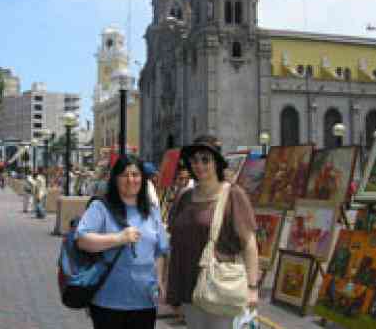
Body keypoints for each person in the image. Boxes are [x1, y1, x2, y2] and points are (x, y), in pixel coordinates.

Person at [167, 135, 259, 329]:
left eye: (205, 159)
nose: (199, 165)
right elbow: (174, 243)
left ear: (216, 162)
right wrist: (172, 288)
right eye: (194, 160)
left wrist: (252, 288)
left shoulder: (233, 195)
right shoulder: (184, 197)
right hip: (188, 287)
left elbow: (249, 244)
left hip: (220, 287)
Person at [76, 155, 169, 329]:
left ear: (143, 179)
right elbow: (82, 240)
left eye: (135, 174)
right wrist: (119, 238)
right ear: (115, 179)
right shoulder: (101, 207)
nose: (130, 180)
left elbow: (160, 251)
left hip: (144, 301)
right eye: (124, 175)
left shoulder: (152, 211)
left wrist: (159, 280)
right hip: (108, 301)